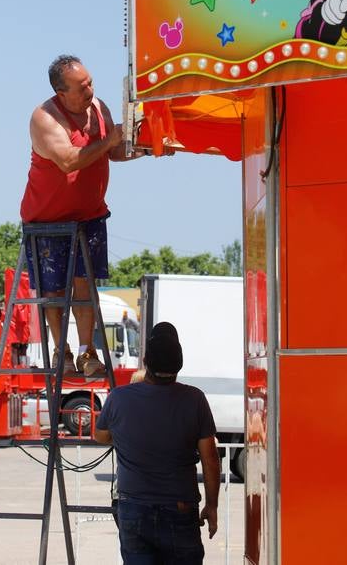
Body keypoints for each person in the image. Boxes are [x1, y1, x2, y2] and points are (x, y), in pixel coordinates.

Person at [20, 54, 146, 378]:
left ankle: (86, 351)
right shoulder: (45, 118)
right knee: (53, 291)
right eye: (82, 87)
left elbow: (113, 151)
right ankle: (60, 349)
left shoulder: (99, 108)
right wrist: (111, 138)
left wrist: (145, 148)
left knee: (85, 288)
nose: (90, 90)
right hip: (47, 221)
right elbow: (69, 160)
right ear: (61, 93)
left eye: (90, 83)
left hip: (89, 216)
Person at [94, 322, 221, 564]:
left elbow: (100, 436)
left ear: (145, 361)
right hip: (180, 507)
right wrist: (212, 505)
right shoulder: (195, 399)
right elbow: (210, 459)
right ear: (179, 365)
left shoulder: (119, 398)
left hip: (133, 507)